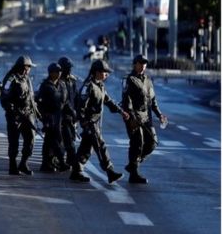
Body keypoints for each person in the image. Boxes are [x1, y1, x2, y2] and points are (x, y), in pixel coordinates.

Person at [70, 59, 128, 184]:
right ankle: (110, 171)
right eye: (104, 72)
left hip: (96, 123)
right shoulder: (88, 86)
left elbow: (108, 100)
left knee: (86, 148)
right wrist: (84, 123)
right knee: (100, 145)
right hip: (89, 123)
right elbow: (80, 106)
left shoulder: (100, 85)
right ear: (97, 72)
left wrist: (121, 111)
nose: (106, 75)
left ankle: (76, 171)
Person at [121, 54, 168, 184]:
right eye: (140, 63)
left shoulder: (148, 80)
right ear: (135, 64)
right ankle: (134, 174)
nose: (143, 66)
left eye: (145, 63)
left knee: (153, 142)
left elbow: (152, 100)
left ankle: (133, 165)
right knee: (137, 143)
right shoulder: (129, 79)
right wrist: (131, 118)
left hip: (147, 116)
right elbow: (126, 101)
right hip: (134, 117)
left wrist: (159, 114)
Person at [0, 56, 39, 175]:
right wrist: (14, 111)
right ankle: (13, 166)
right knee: (14, 141)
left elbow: (31, 97)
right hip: (15, 116)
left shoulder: (26, 78)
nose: (29, 69)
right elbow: (4, 98)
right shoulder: (11, 79)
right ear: (23, 67)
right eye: (28, 67)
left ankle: (23, 163)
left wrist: (36, 112)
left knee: (30, 139)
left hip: (28, 114)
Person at [36, 63, 73, 172]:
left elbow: (65, 102)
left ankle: (46, 164)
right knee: (56, 140)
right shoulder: (45, 85)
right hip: (49, 117)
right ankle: (61, 162)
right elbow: (39, 102)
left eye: (60, 71)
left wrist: (72, 113)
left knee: (49, 141)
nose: (59, 73)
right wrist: (43, 116)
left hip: (59, 116)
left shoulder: (61, 84)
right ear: (51, 73)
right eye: (57, 71)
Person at [58, 56, 79, 169]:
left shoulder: (72, 80)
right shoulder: (57, 81)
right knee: (63, 141)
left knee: (71, 139)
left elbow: (76, 97)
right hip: (61, 116)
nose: (69, 70)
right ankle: (73, 165)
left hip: (71, 116)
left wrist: (78, 112)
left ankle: (69, 162)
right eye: (67, 67)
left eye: (70, 67)